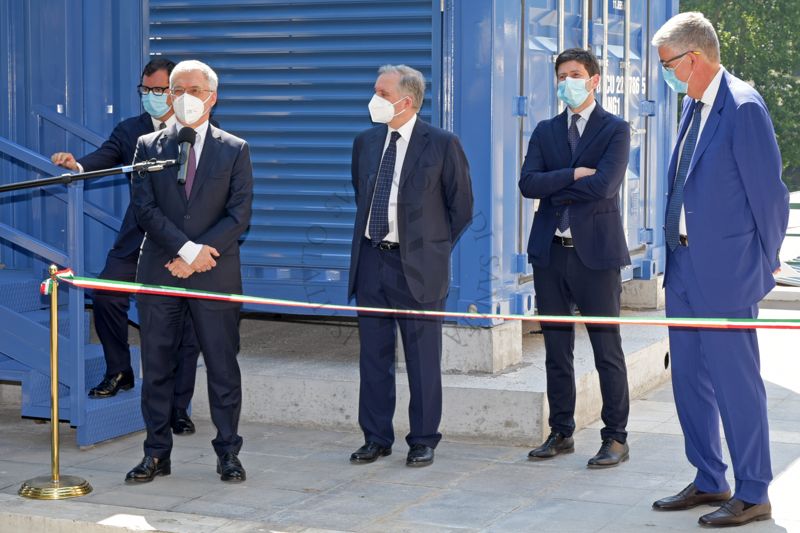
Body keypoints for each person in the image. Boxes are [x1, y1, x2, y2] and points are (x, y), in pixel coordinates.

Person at [650, 12, 788, 528]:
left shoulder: (743, 108)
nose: (665, 75)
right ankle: (710, 477)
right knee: (689, 380)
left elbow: (770, 198)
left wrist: (762, 262)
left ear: (695, 59)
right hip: (683, 265)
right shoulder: (693, 105)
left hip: (725, 272)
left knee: (736, 384)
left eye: (668, 65)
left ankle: (753, 491)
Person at [50, 58, 199, 435]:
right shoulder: (130, 129)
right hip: (138, 233)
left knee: (184, 323)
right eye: (145, 90)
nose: (151, 97)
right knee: (106, 294)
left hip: (183, 240)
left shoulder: (195, 128)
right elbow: (104, 156)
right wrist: (77, 165)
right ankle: (119, 370)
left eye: (159, 90)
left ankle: (179, 408)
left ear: (177, 90)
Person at [126, 60, 253, 483]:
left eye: (193, 90)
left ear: (212, 97)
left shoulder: (234, 148)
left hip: (214, 272)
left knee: (221, 367)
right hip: (162, 269)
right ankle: (156, 453)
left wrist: (200, 253)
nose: (182, 97)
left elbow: (239, 214)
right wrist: (183, 249)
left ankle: (228, 452)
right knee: (157, 367)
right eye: (175, 90)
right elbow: (144, 209)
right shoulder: (149, 145)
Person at [347, 64, 473, 468]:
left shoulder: (441, 143)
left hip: (418, 269)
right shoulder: (365, 142)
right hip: (371, 261)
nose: (374, 99)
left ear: (407, 100)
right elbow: (362, 195)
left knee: (421, 359)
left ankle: (422, 439)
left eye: (382, 93)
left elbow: (462, 208)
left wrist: (431, 249)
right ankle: (376, 437)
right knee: (373, 357)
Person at [519, 48, 632, 469]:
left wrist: (557, 185)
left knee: (607, 350)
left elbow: (604, 186)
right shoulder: (546, 131)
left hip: (596, 257)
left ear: (594, 80)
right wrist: (572, 176)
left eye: (577, 74)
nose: (569, 81)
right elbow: (528, 183)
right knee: (556, 349)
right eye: (562, 75)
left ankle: (616, 438)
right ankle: (561, 431)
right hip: (549, 254)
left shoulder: (616, 130)